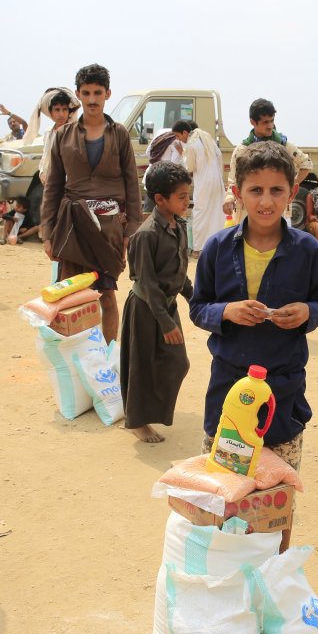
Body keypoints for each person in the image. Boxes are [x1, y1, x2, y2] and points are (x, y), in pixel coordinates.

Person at [190, 141, 318, 551]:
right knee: (225, 492)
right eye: (256, 190)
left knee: (276, 498)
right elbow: (199, 308)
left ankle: (275, 568)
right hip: (228, 392)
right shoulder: (218, 248)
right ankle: (225, 572)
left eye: (276, 191)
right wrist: (227, 312)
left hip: (283, 393)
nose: (266, 201)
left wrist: (306, 312)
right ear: (237, 192)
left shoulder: (307, 250)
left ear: (291, 193)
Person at [41, 64, 142, 344]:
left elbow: (132, 184)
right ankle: (77, 361)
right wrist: (48, 234)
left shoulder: (119, 134)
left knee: (106, 297)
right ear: (78, 95)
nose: (93, 99)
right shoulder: (63, 136)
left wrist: (129, 232)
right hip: (72, 227)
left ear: (108, 94)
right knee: (71, 297)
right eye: (87, 93)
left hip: (109, 228)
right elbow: (53, 187)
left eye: (98, 92)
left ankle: (108, 358)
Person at [120, 162, 194, 444]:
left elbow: (178, 271)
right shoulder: (145, 235)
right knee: (142, 365)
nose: (187, 201)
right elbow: (148, 284)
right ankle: (138, 422)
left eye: (188, 195)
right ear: (159, 199)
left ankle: (148, 412)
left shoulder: (179, 226)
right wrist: (165, 323)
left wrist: (193, 296)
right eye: (181, 197)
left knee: (177, 363)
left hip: (166, 306)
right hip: (145, 308)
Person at [2, 87, 82, 243]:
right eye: (57, 109)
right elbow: (46, 156)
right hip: (51, 183)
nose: (61, 114)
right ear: (50, 113)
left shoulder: (75, 130)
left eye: (64, 109)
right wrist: (42, 173)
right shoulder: (49, 132)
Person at [224, 98, 314, 225]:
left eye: (272, 121)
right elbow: (233, 180)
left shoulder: (283, 146)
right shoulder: (242, 150)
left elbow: (306, 163)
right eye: (265, 122)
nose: (270, 126)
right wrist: (229, 199)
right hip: (248, 212)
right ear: (253, 122)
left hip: (276, 210)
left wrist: (288, 186)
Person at [184, 123, 227, 255]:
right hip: (217, 181)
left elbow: (189, 167)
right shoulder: (210, 141)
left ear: (186, 133)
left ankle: (199, 248)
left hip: (203, 183)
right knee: (217, 214)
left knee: (200, 213)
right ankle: (218, 245)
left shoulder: (192, 144)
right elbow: (220, 158)